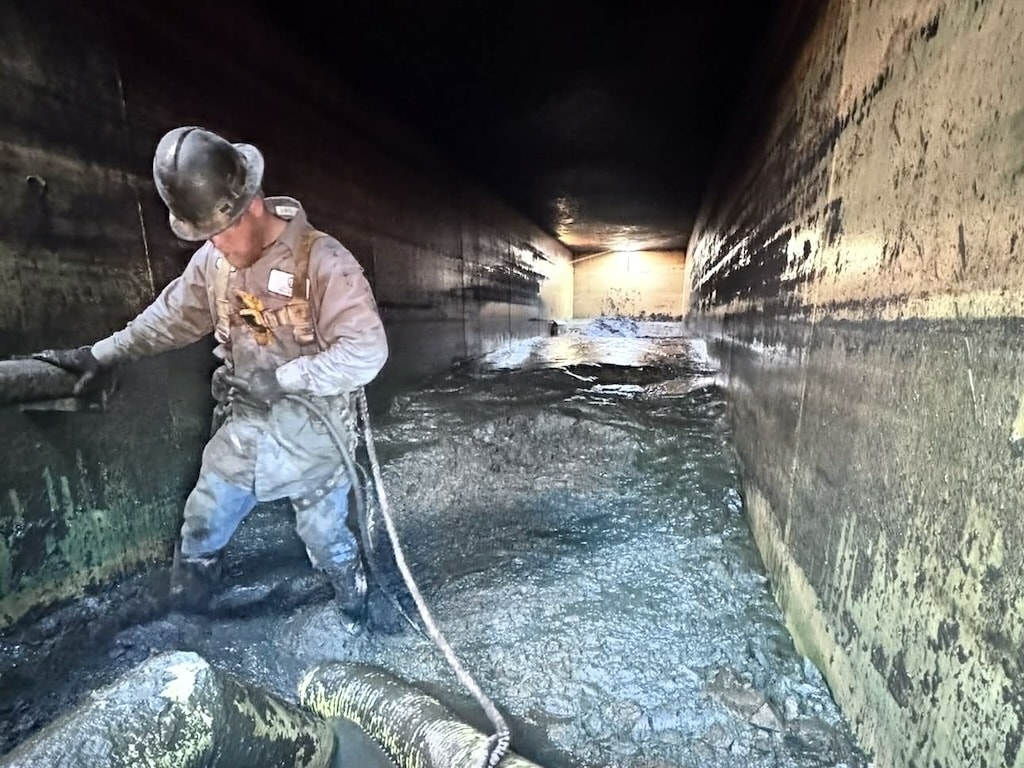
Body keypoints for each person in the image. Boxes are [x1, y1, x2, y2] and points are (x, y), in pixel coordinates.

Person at [35, 126, 389, 627]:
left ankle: (358, 606)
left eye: (220, 233)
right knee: (204, 515)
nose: (214, 247)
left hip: (316, 437)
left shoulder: (324, 262)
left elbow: (367, 352)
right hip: (244, 431)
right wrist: (101, 354)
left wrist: (284, 379)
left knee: (325, 535)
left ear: (255, 206)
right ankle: (189, 609)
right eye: (205, 237)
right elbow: (171, 318)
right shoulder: (214, 263)